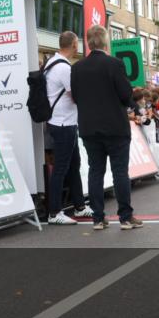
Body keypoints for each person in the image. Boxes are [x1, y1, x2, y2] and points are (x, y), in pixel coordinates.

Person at [72, 25, 143, 230]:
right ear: (105, 41)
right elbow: (125, 95)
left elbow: (76, 97)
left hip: (89, 127)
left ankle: (98, 218)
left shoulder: (77, 68)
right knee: (119, 171)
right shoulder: (115, 64)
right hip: (115, 126)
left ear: (88, 42)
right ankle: (125, 217)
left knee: (96, 171)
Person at [40, 31, 89, 226]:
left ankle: (79, 206)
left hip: (63, 122)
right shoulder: (64, 68)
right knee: (61, 168)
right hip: (63, 123)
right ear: (74, 45)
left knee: (73, 165)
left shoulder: (51, 63)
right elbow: (75, 95)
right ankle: (54, 212)